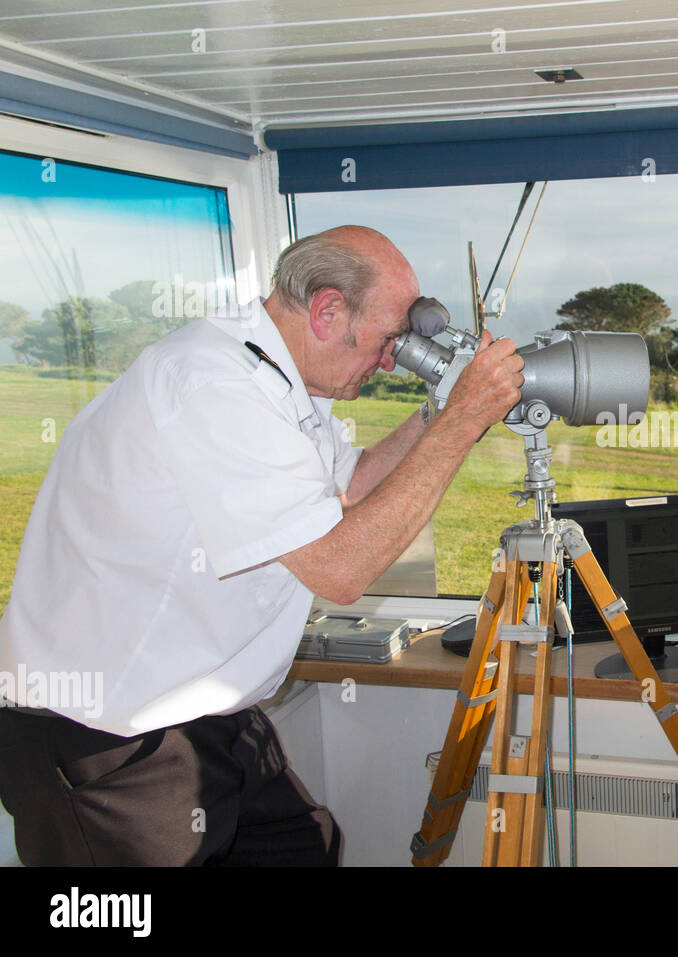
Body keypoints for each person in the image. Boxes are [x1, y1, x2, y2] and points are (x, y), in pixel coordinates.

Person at [0, 225, 524, 865]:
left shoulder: (272, 378)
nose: (392, 360)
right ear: (328, 309)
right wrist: (464, 418)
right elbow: (341, 567)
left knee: (305, 846)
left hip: (203, 712)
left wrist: (442, 412)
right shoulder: (213, 385)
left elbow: (354, 488)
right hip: (105, 734)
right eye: (389, 339)